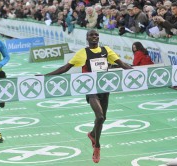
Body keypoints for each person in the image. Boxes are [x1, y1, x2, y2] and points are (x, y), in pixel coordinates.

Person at [43, 29, 132, 163]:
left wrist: (139, 73)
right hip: (90, 88)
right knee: (100, 116)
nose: (94, 37)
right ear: (87, 38)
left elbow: (122, 64)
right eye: (91, 35)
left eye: (96, 35)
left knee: (103, 118)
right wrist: (46, 76)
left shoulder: (106, 50)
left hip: (104, 87)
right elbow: (65, 68)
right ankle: (97, 146)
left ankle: (92, 134)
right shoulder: (82, 53)